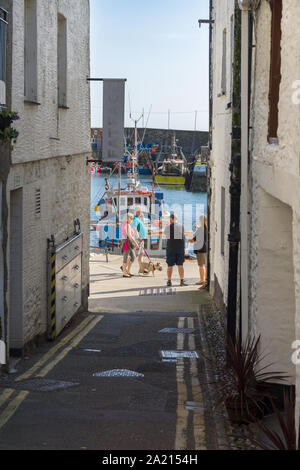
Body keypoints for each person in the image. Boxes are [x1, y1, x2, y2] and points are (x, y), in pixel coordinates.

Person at [163, 213, 188, 287]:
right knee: (180, 265)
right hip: (180, 248)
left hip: (170, 247)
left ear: (171, 219)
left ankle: (169, 281)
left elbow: (166, 238)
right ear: (176, 219)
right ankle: (181, 281)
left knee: (170, 265)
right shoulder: (181, 226)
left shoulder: (167, 227)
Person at [189, 215, 208, 286]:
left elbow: (193, 240)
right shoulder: (207, 228)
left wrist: (189, 238)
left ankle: (202, 280)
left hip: (200, 250)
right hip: (207, 249)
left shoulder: (200, 230)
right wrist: (197, 227)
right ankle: (206, 279)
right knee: (206, 266)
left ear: (201, 221)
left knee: (201, 266)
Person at [131, 207, 149, 274]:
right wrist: (138, 237)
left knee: (141, 254)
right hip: (138, 239)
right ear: (136, 212)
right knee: (135, 254)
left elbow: (142, 225)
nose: (141, 213)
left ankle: (141, 269)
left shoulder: (138, 218)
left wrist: (143, 216)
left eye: (141, 211)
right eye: (139, 211)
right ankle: (124, 266)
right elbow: (134, 229)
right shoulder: (135, 219)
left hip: (141, 239)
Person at [121, 213, 139, 277]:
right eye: (131, 218)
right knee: (125, 257)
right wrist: (136, 244)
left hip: (128, 241)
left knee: (133, 257)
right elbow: (130, 236)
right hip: (126, 242)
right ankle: (124, 272)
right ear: (128, 218)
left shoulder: (127, 224)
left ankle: (127, 270)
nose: (132, 220)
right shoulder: (127, 225)